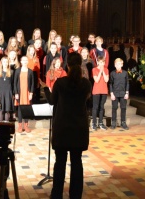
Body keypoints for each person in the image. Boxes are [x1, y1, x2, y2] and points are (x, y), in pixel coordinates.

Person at [40, 53, 92, 199]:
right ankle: (76, 196)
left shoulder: (61, 83)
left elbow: (52, 101)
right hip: (79, 128)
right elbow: (88, 104)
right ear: (80, 64)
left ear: (67, 65)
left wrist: (45, 88)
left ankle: (56, 195)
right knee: (77, 162)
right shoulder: (86, 84)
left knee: (60, 163)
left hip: (62, 127)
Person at [14, 56, 34, 133]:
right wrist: (16, 93)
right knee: (20, 109)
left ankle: (26, 125)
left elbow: (32, 84)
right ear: (21, 61)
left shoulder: (30, 71)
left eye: (26, 60)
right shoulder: (17, 71)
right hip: (20, 93)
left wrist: (31, 93)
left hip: (27, 92)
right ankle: (19, 126)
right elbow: (15, 83)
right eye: (23, 60)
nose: (25, 62)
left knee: (26, 109)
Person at [109, 58, 129, 130]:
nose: (118, 65)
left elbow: (127, 83)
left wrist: (127, 92)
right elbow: (110, 84)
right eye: (116, 64)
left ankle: (123, 122)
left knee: (123, 108)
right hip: (115, 93)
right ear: (114, 65)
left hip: (123, 93)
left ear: (122, 64)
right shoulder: (112, 73)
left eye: (119, 64)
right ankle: (113, 122)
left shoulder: (125, 73)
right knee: (114, 108)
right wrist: (111, 93)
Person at [91, 56, 109, 131]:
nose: (102, 64)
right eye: (100, 62)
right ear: (98, 62)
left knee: (101, 107)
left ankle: (101, 123)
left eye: (103, 62)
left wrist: (103, 72)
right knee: (95, 107)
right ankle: (94, 123)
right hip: (96, 91)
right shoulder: (94, 69)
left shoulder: (106, 69)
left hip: (104, 91)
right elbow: (96, 80)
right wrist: (100, 72)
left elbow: (106, 80)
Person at [0, 56, 14, 122]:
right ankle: (0, 122)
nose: (5, 63)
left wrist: (13, 93)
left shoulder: (11, 72)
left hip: (8, 92)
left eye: (7, 62)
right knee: (1, 109)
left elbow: (13, 83)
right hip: (1, 92)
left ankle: (6, 122)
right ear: (1, 63)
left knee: (7, 108)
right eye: (4, 62)